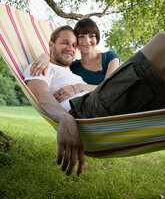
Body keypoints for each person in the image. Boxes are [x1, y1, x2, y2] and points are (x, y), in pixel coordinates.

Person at [24, 26, 165, 177]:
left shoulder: (73, 70)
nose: (70, 48)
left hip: (108, 106)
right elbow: (40, 93)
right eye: (65, 43)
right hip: (87, 111)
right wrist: (65, 118)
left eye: (73, 45)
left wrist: (45, 55)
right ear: (51, 45)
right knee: (162, 42)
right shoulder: (42, 67)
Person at [30, 19, 120, 102]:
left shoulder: (110, 57)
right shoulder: (73, 67)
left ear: (97, 38)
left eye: (92, 36)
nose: (87, 41)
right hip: (95, 106)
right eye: (82, 37)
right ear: (76, 40)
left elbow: (109, 87)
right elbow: (57, 63)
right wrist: (45, 56)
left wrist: (78, 87)